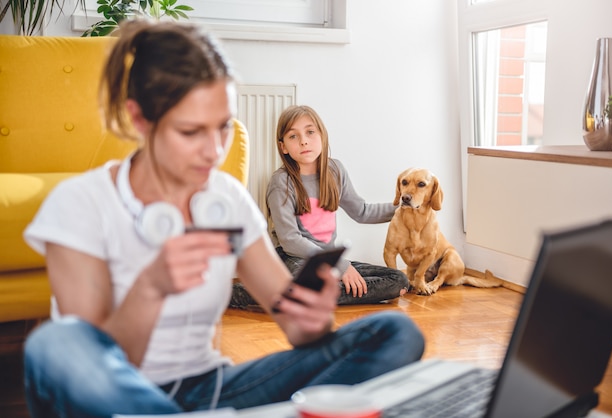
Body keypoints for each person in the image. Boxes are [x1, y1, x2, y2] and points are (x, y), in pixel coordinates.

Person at [21, 20, 425, 418]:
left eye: (223, 128)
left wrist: (311, 318)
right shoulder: (79, 204)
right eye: (191, 131)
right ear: (140, 118)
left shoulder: (225, 197)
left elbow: (292, 322)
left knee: (394, 333)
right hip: (117, 397)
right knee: (55, 345)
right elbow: (96, 363)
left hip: (213, 391)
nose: (213, 151)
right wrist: (150, 288)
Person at [230, 105, 410, 310]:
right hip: (292, 258)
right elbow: (290, 240)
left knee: (398, 280)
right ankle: (241, 294)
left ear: (322, 136)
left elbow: (362, 211)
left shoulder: (335, 171)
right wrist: (342, 266)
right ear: (283, 147)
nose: (304, 140)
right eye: (293, 136)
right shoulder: (281, 182)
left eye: (310, 132)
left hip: (327, 259)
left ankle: (297, 295)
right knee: (314, 282)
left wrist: (405, 208)